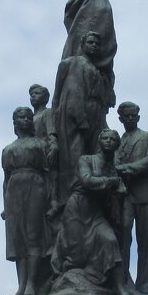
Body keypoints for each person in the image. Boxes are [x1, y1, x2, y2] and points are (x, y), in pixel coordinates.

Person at [50, 129, 132, 295]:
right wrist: (112, 182)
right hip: (78, 207)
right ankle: (67, 279)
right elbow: (87, 180)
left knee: (110, 240)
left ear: (117, 145)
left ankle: (120, 289)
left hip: (96, 212)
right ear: (100, 142)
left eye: (112, 139)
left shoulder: (113, 169)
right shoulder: (86, 160)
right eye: (105, 138)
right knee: (75, 256)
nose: (109, 141)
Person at [51, 30, 116, 206]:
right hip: (76, 119)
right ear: (82, 44)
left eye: (97, 43)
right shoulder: (72, 63)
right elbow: (70, 93)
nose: (94, 46)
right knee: (74, 157)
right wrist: (80, 119)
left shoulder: (97, 70)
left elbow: (105, 99)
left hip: (94, 117)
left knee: (95, 156)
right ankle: (71, 198)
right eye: (91, 42)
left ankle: (92, 193)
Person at [1, 107, 50, 295]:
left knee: (33, 236)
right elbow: (5, 179)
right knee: (17, 240)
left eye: (29, 117)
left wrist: (51, 199)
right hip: (14, 191)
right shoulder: (8, 149)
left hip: (35, 186)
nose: (26, 120)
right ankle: (21, 285)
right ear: (15, 122)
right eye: (22, 117)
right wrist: (5, 204)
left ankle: (32, 283)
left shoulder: (40, 145)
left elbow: (49, 174)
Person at [115, 102, 148, 295]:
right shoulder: (116, 141)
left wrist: (129, 168)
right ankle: (124, 281)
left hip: (146, 194)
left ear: (138, 117)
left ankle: (145, 287)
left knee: (146, 242)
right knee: (123, 238)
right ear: (121, 119)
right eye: (127, 116)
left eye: (133, 115)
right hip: (125, 195)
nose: (130, 119)